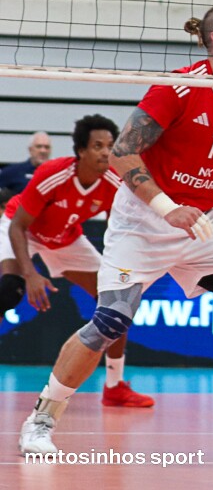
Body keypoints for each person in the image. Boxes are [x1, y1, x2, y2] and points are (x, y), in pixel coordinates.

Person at [18, 3, 213, 458]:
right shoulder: (180, 87)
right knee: (110, 322)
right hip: (141, 223)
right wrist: (167, 207)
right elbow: (122, 153)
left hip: (198, 226)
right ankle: (41, 420)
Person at [0, 115, 152, 407]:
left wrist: (123, 269)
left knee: (117, 301)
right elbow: (18, 226)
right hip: (23, 229)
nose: (106, 152)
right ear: (81, 151)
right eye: (98, 146)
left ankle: (115, 386)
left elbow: (118, 229)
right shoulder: (53, 174)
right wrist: (30, 274)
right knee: (8, 291)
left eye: (110, 146)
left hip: (65, 237)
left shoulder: (114, 181)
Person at [0, 131, 53, 201]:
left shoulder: (57, 173)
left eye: (47, 147)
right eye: (39, 146)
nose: (43, 151)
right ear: (30, 149)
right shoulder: (12, 172)